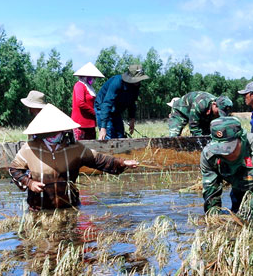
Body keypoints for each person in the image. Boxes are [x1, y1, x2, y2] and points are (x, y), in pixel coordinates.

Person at [8, 104, 139, 210]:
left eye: (57, 132)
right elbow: (13, 169)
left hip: (69, 207)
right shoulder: (30, 148)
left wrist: (122, 163)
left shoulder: (74, 148)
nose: (54, 136)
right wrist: (30, 183)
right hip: (39, 209)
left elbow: (97, 159)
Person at [201, 116, 253, 219]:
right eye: (220, 150)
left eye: (229, 148)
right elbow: (211, 192)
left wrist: (241, 219)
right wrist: (214, 218)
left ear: (241, 139)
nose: (225, 154)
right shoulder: (209, 155)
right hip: (238, 184)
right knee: (237, 208)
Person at [95, 64, 148, 139]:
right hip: (103, 108)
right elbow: (107, 104)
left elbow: (132, 103)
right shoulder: (117, 82)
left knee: (120, 136)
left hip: (116, 110)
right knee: (109, 136)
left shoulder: (136, 86)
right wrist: (103, 128)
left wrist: (132, 119)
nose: (139, 81)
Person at [71, 62, 102, 140]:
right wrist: (94, 112)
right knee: (79, 148)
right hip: (80, 124)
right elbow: (80, 103)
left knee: (91, 148)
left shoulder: (90, 88)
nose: (94, 79)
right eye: (92, 77)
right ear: (86, 76)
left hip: (90, 124)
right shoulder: (79, 85)